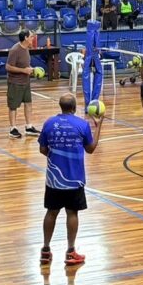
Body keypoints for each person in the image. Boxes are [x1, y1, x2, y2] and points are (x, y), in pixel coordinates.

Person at [38, 93, 103, 266]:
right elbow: (90, 149)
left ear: (61, 107)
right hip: (74, 180)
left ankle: (45, 250)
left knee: (51, 212)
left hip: (53, 179)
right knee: (72, 213)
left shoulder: (49, 123)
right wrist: (98, 126)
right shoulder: (82, 124)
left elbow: (42, 149)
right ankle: (70, 252)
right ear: (74, 108)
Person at [6, 29, 39, 139]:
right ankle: (13, 129)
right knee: (13, 106)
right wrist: (23, 71)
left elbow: (24, 65)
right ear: (25, 37)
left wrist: (30, 70)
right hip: (15, 83)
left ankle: (29, 127)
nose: (33, 38)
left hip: (26, 82)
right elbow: (8, 67)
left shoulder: (26, 49)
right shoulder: (15, 50)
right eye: (31, 37)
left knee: (28, 103)